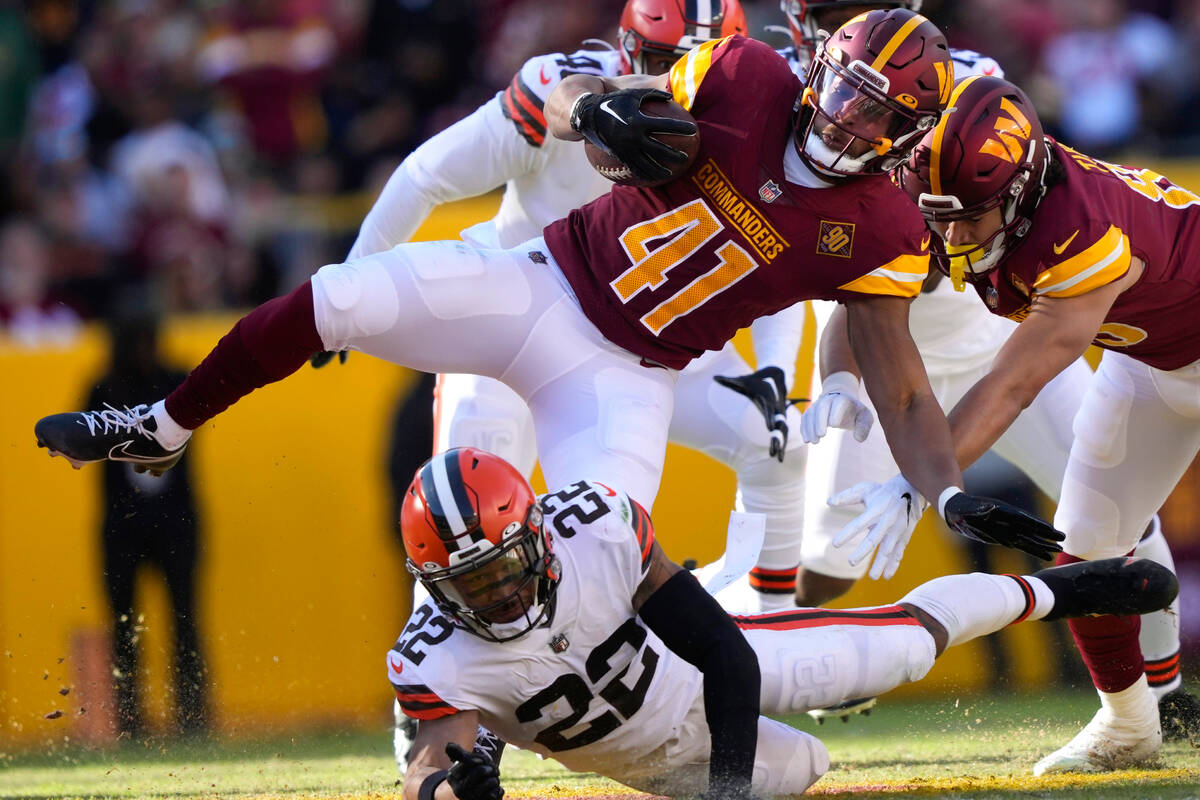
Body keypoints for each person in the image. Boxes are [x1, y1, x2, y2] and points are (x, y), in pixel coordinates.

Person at [34, 11, 1062, 629]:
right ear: (819, 64)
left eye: (877, 112)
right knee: (334, 298)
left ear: (908, 131)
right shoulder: (744, 76)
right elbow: (585, 95)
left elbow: (901, 381)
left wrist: (949, 492)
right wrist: (599, 108)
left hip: (630, 372)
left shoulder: (882, 225)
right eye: (844, 88)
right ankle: (158, 428)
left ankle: (699, 651)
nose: (846, 116)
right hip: (537, 281)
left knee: (596, 558)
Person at [765, 0, 1192, 737]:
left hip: (1037, 345)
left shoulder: (1066, 224)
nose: (951, 234)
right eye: (938, 215)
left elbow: (1019, 377)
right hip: (1100, 356)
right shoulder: (878, 150)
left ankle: (1167, 696)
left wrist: (915, 481)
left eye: (968, 216)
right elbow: (862, 299)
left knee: (1124, 527)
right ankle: (1134, 723)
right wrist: (838, 380)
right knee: (1081, 535)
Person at [390, 447, 1177, 799]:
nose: (493, 597)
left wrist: (727, 799)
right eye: (468, 584)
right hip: (649, 759)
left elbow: (723, 655)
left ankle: (1069, 589)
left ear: (534, 535)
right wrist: (454, 791)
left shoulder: (595, 528)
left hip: (699, 667)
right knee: (805, 765)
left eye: (498, 569)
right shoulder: (438, 658)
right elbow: (427, 766)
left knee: (902, 647)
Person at [88, 308, 208, 737]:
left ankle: (193, 716)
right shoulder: (102, 390)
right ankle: (130, 720)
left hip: (174, 521)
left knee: (184, 621)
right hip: (124, 526)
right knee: (125, 626)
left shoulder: (173, 381)